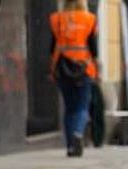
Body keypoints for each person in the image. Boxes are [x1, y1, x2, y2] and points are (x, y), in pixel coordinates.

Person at [49, 0, 98, 157]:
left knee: (69, 108)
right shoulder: (89, 18)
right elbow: (93, 48)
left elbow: (52, 47)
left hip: (62, 67)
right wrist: (98, 70)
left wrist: (51, 70)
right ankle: (78, 133)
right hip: (83, 68)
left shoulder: (57, 18)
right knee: (82, 106)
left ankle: (70, 145)